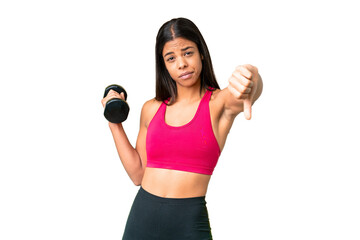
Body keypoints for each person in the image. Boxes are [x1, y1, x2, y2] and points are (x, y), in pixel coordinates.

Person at [101, 17, 263, 240]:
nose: (181, 64)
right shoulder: (151, 109)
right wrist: (114, 122)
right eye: (171, 58)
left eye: (188, 53)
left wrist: (251, 75)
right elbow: (138, 174)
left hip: (188, 226)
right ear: (164, 65)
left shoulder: (218, 104)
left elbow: (248, 89)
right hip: (141, 220)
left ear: (201, 53)